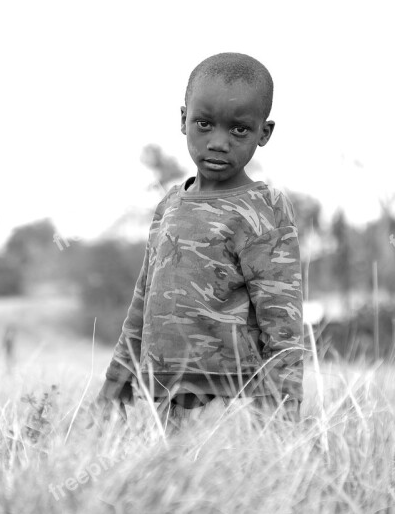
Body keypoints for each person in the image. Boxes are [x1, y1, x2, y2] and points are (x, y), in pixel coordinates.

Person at [93, 52, 305, 431]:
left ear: (264, 133)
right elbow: (144, 299)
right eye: (204, 124)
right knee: (171, 487)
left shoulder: (263, 210)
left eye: (239, 129)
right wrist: (117, 380)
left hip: (231, 399)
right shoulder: (169, 205)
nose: (218, 142)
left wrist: (282, 413)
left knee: (225, 487)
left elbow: (282, 320)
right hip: (160, 394)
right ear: (183, 120)